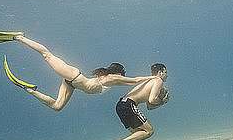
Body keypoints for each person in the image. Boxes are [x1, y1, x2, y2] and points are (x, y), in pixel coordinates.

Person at [10, 35, 159, 111]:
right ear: (118, 72)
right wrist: (153, 77)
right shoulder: (112, 78)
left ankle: (30, 90)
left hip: (72, 84)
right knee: (47, 55)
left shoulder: (113, 80)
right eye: (123, 73)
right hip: (73, 76)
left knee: (57, 107)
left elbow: (132, 84)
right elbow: (134, 81)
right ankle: (20, 37)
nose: (123, 76)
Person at [112, 63, 169, 140]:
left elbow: (149, 106)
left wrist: (160, 101)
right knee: (149, 131)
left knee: (137, 135)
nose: (167, 75)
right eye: (166, 72)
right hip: (129, 105)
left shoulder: (150, 81)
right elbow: (152, 100)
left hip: (121, 105)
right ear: (160, 72)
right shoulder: (158, 81)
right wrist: (162, 101)